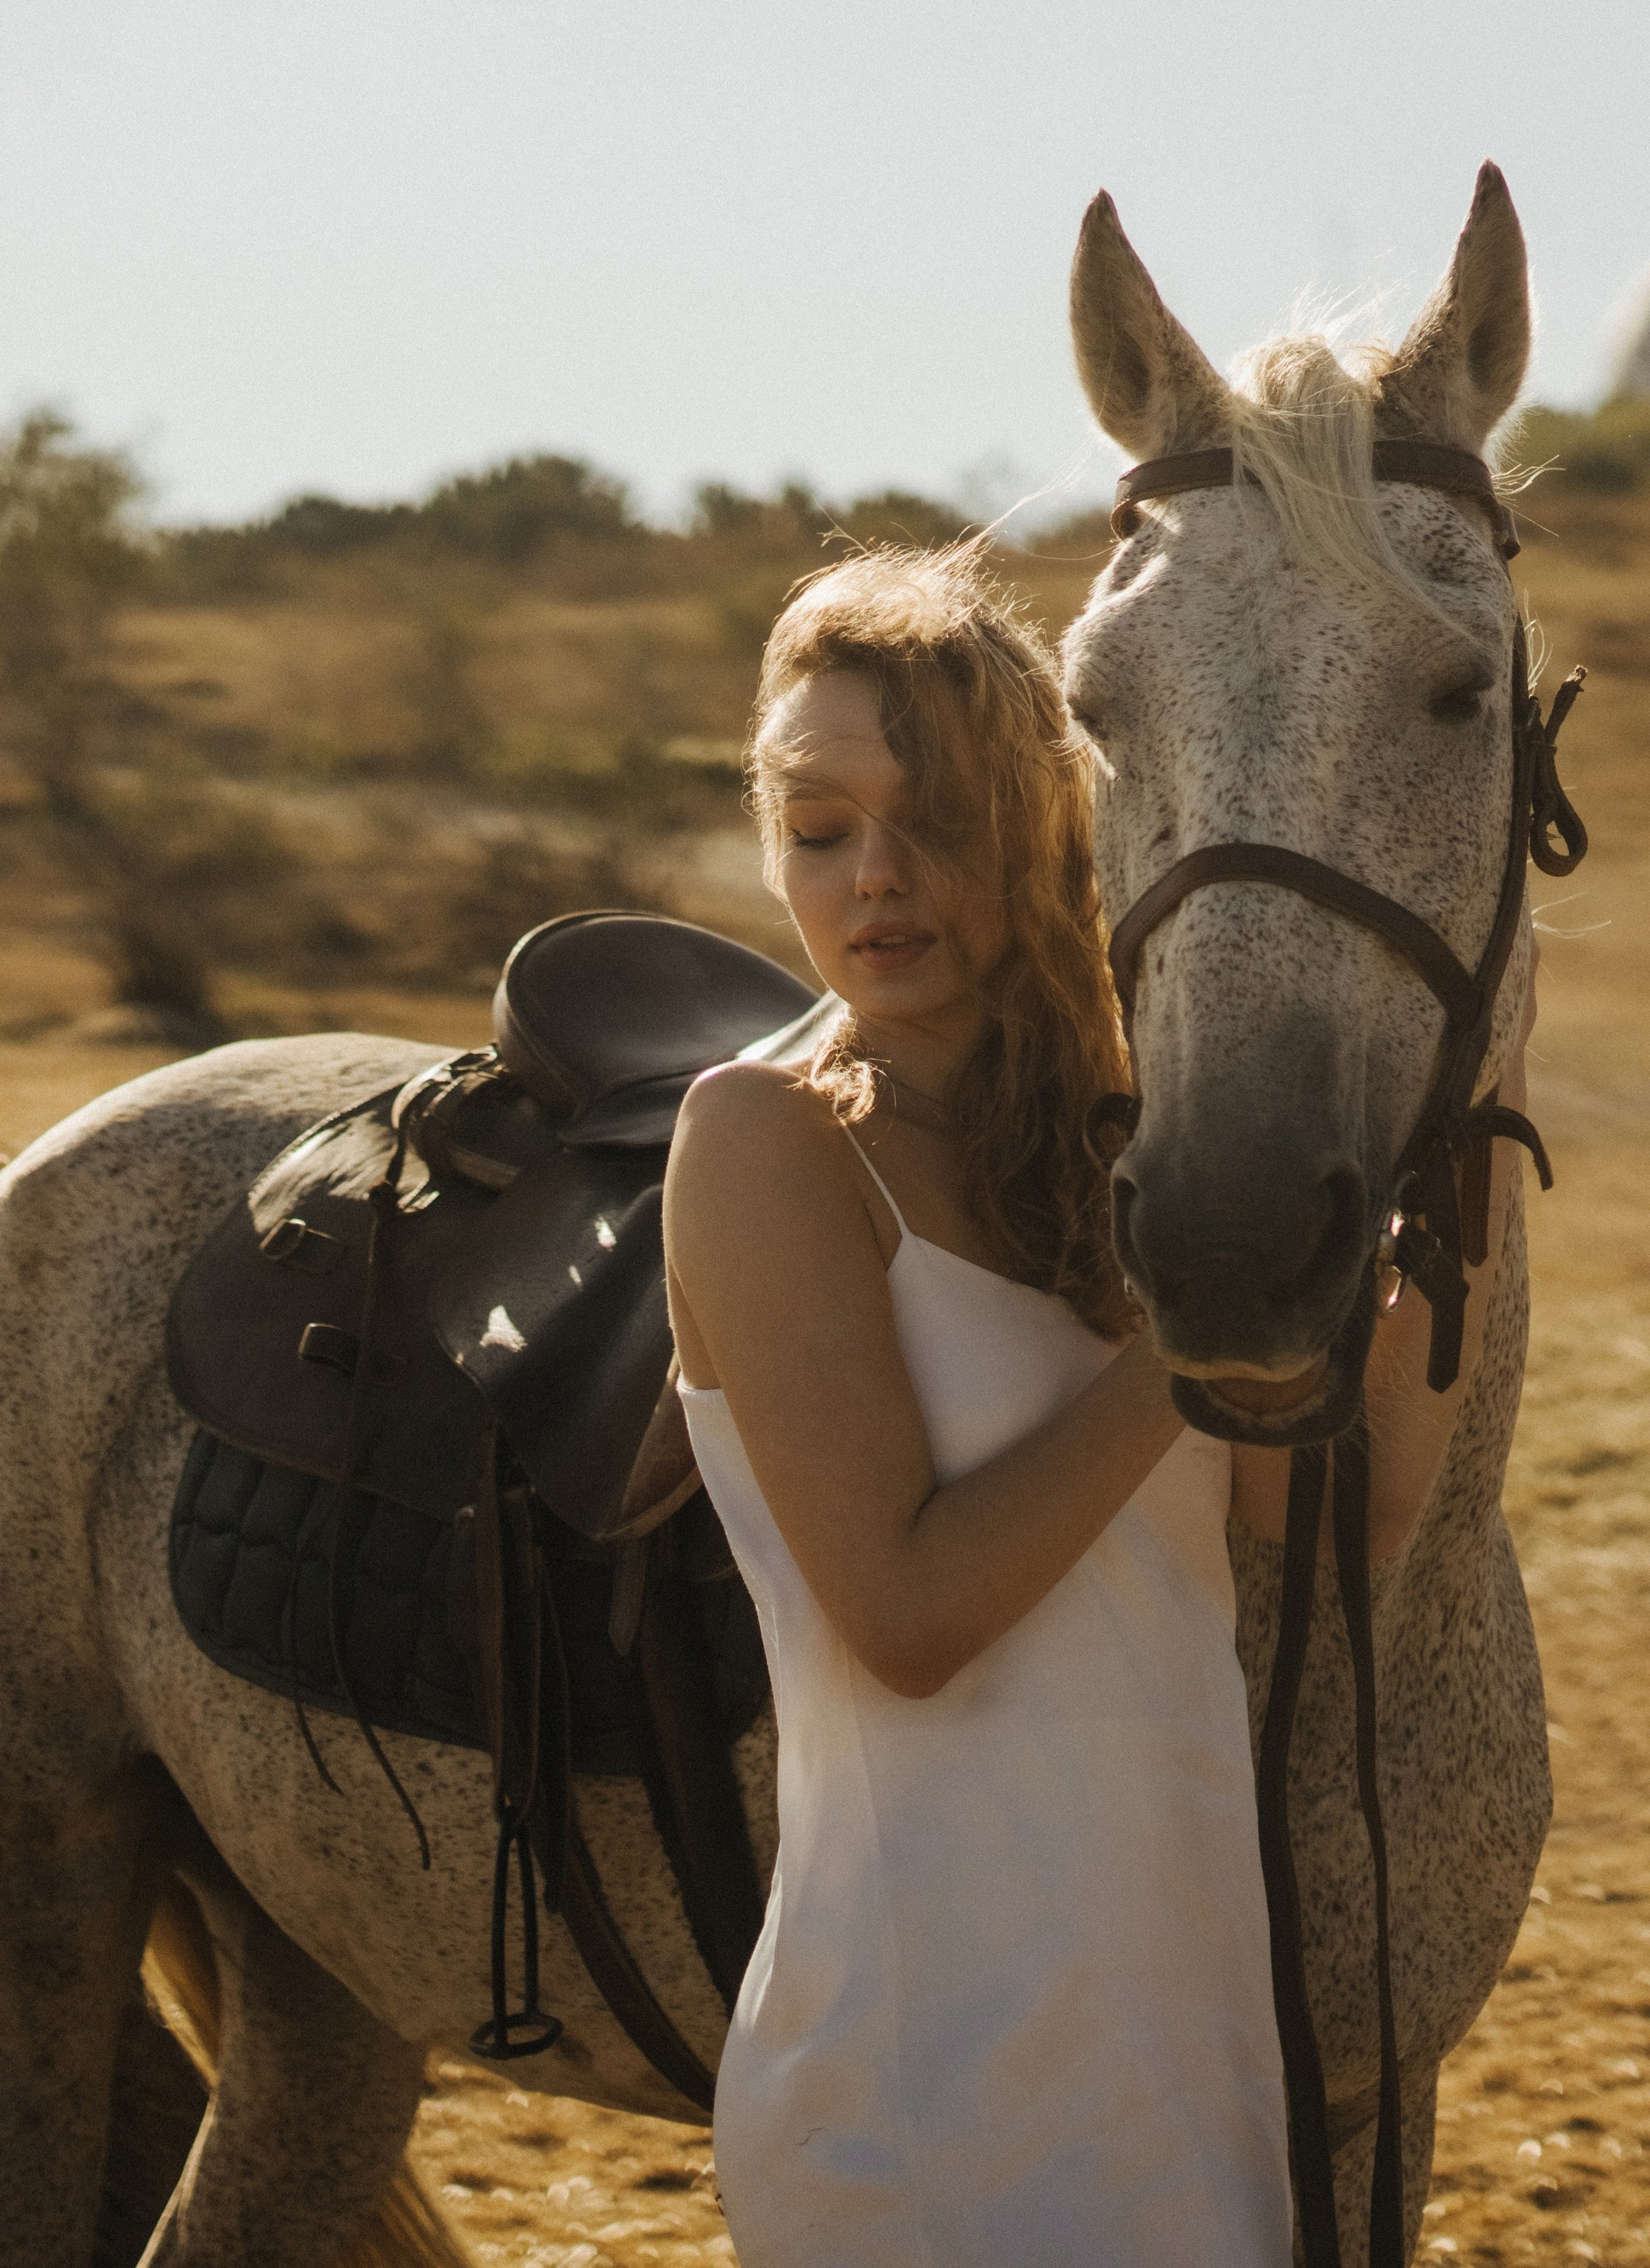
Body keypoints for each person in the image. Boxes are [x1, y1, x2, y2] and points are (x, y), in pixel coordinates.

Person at [663, 545, 1522, 2266]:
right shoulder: (763, 1144)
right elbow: (903, 1618)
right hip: (917, 2064)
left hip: (1178, 2042)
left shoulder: (1119, 1159)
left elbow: (1328, 1530)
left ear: (1054, 821)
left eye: (943, 819)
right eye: (820, 827)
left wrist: (1422, 1212)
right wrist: (1184, 1337)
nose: (876, 878)